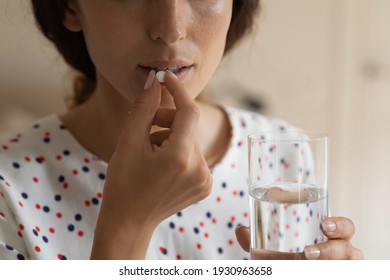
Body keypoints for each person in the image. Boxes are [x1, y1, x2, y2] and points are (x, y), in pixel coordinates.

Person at [0, 0, 362, 260]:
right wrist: (127, 227)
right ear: (70, 8)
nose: (171, 29)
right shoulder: (9, 183)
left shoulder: (281, 152)